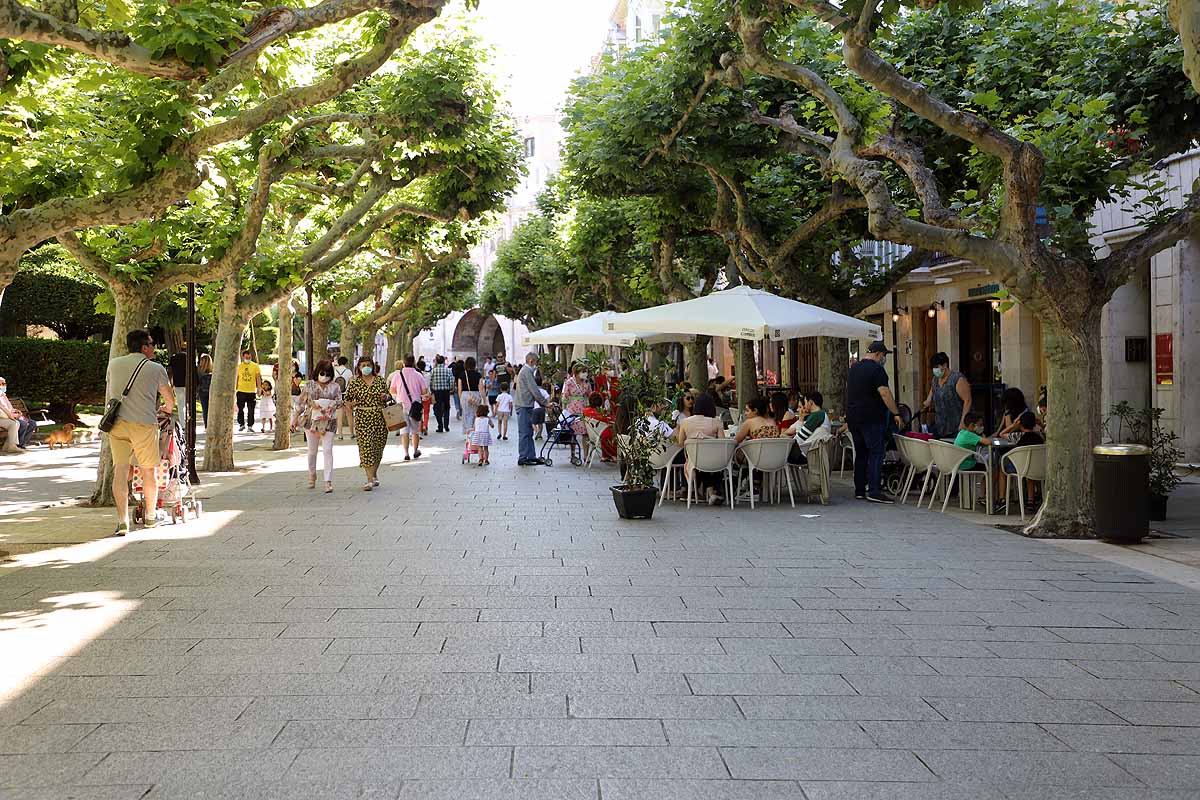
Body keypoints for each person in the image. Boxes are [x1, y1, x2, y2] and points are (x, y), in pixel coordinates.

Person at [104, 329, 175, 535]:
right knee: (148, 471)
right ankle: (151, 516)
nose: (154, 347)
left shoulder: (114, 364)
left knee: (120, 470)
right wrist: (167, 409)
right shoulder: (156, 368)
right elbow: (168, 398)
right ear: (144, 347)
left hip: (117, 424)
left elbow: (111, 391)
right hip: (144, 424)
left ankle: (122, 520)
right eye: (152, 344)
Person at [847, 340, 904, 503]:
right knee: (876, 452)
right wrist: (896, 413)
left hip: (854, 418)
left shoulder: (854, 368)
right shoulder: (877, 370)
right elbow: (885, 393)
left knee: (861, 453)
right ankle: (874, 490)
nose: (884, 359)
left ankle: (859, 489)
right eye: (884, 355)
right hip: (871, 419)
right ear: (878, 354)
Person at [292, 360, 342, 493]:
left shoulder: (335, 386)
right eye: (322, 373)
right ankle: (312, 475)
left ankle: (328, 481)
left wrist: (330, 406)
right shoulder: (309, 385)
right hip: (311, 421)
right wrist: (295, 419)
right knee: (312, 451)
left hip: (329, 421)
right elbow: (300, 403)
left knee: (327, 450)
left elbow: (339, 401)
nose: (324, 376)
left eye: (328, 374)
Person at [343, 356, 389, 490]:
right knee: (366, 447)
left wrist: (385, 397)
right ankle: (369, 479)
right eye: (362, 365)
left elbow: (388, 396)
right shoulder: (355, 382)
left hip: (380, 418)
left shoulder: (380, 380)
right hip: (363, 418)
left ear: (372, 366)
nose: (365, 367)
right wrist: (352, 404)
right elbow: (347, 400)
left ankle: (374, 474)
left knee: (378, 448)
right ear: (358, 368)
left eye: (368, 365)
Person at [676, 392, 726, 506]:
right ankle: (713, 491)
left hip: (693, 459)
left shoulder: (685, 422)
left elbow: (680, 443)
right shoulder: (716, 422)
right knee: (711, 460)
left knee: (700, 458)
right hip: (715, 462)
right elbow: (722, 442)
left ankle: (708, 491)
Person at [923, 352, 972, 438]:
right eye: (933, 368)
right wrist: (928, 399)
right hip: (940, 427)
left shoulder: (957, 379)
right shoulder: (935, 379)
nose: (935, 370)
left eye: (936, 367)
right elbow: (933, 389)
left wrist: (963, 422)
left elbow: (967, 400)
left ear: (944, 365)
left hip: (956, 427)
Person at [390, 355, 429, 461]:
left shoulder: (397, 375)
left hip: (401, 406)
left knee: (404, 431)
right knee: (415, 431)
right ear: (413, 363)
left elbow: (392, 390)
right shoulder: (418, 375)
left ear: (403, 362)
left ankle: (406, 453)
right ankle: (415, 450)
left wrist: (400, 393)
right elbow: (424, 391)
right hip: (415, 406)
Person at [515, 352, 548, 466]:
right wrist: (545, 403)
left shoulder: (526, 371)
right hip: (524, 405)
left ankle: (530, 456)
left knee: (529, 432)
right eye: (536, 362)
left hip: (526, 404)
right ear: (531, 361)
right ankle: (523, 457)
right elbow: (534, 390)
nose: (536, 365)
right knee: (525, 432)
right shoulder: (526, 372)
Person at [783, 391, 829, 465]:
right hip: (814, 452)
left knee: (779, 456)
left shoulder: (816, 416)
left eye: (805, 402)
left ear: (810, 402)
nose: (805, 405)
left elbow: (799, 439)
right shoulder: (822, 414)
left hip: (807, 455)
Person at [0, 376, 36, 451]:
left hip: (10, 416)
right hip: (5, 417)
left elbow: (10, 408)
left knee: (32, 423)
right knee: (22, 423)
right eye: (2, 383)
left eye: (5, 383)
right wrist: (13, 416)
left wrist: (17, 412)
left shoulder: (4, 396)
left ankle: (21, 444)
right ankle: (17, 445)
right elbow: (3, 408)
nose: (4, 385)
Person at [583, 391, 617, 461]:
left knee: (606, 433)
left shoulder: (585, 411)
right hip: (601, 436)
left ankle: (605, 456)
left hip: (592, 435)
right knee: (611, 432)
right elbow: (611, 420)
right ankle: (613, 455)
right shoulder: (601, 414)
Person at [562, 362, 591, 437]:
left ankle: (585, 449)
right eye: (583, 372)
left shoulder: (586, 382)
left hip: (584, 409)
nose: (585, 374)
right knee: (573, 432)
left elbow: (590, 394)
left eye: (586, 372)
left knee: (585, 432)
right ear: (577, 373)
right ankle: (573, 448)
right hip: (572, 409)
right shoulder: (569, 382)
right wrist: (564, 410)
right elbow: (565, 396)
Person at [235, 350, 261, 433]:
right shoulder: (239, 366)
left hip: (251, 391)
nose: (248, 359)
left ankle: (250, 425)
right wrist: (234, 389)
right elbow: (237, 378)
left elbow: (258, 378)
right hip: (241, 390)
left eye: (249, 357)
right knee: (240, 409)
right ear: (243, 357)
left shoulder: (255, 366)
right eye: (246, 357)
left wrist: (259, 388)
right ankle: (241, 424)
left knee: (251, 409)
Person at [428, 355, 455, 433]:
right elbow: (451, 381)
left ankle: (440, 425)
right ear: (444, 361)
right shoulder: (448, 370)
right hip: (445, 392)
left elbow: (430, 382)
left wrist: (432, 390)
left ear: (436, 361)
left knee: (436, 409)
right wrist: (450, 389)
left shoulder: (433, 371)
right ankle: (446, 426)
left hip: (436, 392)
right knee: (447, 408)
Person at [458, 356, 484, 436]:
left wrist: (460, 399)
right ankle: (474, 431)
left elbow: (459, 388)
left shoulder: (462, 375)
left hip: (465, 395)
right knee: (475, 414)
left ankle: (468, 433)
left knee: (466, 414)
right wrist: (484, 400)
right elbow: (481, 388)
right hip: (476, 395)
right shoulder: (478, 375)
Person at [333, 356, 355, 440]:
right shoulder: (348, 371)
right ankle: (352, 433)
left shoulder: (335, 371)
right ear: (346, 363)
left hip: (338, 395)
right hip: (347, 395)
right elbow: (352, 383)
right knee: (349, 415)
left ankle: (340, 434)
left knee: (339, 416)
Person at [197, 354, 213, 428]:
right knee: (209, 410)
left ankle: (207, 425)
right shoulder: (212, 372)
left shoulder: (199, 371)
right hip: (210, 392)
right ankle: (209, 425)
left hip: (203, 392)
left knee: (205, 409)